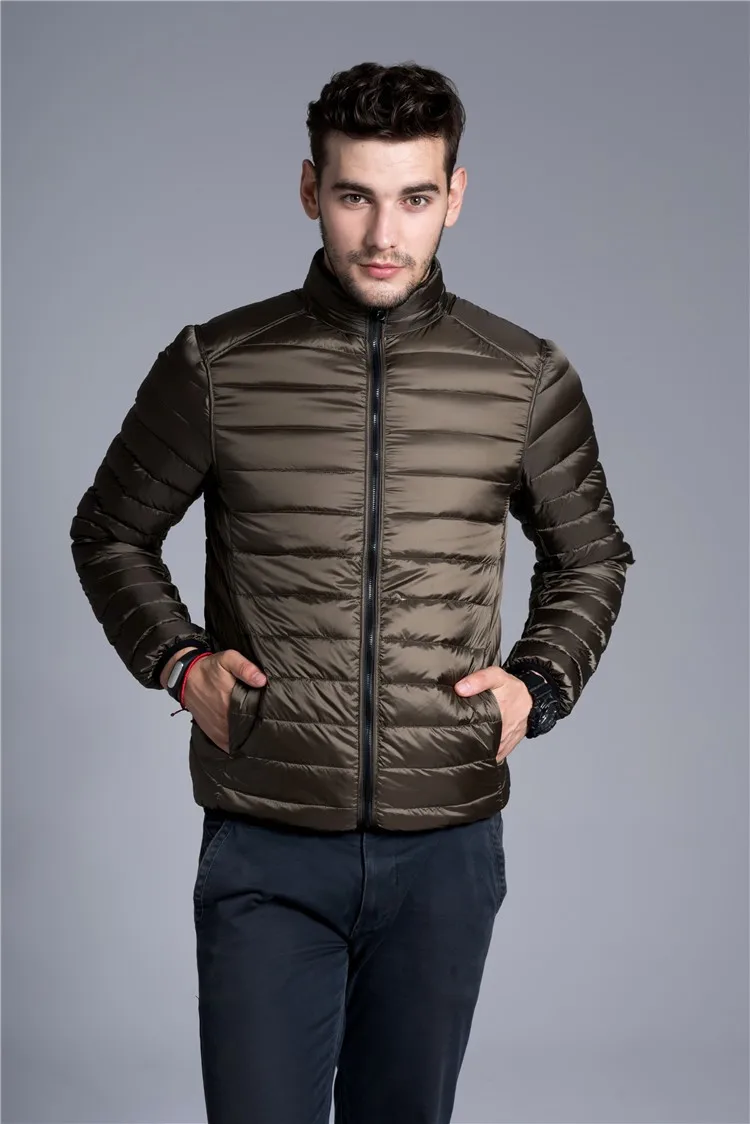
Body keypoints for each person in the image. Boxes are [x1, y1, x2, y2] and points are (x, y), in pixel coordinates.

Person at [70, 60, 635, 1124]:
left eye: (415, 197)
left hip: (444, 848)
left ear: (454, 195)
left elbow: (592, 556)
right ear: (309, 190)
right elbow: (109, 532)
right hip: (266, 838)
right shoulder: (216, 365)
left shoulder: (522, 375)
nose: (384, 232)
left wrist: (539, 683)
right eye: (354, 195)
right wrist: (179, 663)